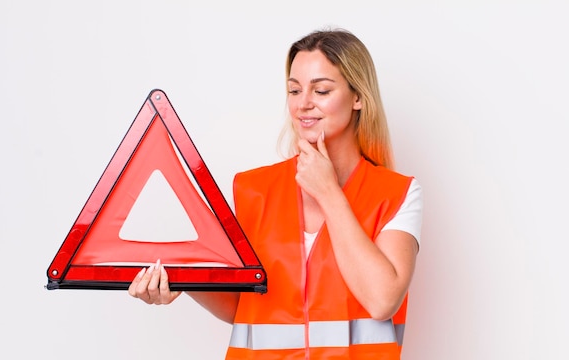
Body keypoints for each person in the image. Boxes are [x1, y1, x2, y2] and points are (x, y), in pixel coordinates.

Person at [128, 27, 423, 359]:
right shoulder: (254, 189)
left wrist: (328, 194)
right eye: (294, 90)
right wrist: (183, 280)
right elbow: (244, 304)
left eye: (321, 90)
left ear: (358, 97)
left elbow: (382, 300)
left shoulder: (396, 193)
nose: (303, 104)